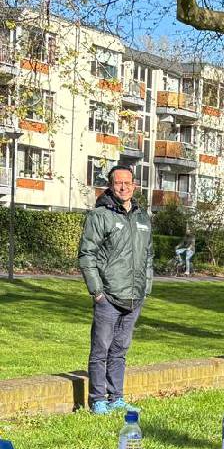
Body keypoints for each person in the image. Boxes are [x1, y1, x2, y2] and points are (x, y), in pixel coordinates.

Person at [78, 165, 153, 415]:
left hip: (134, 296)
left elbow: (148, 255)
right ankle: (98, 399)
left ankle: (116, 397)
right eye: (118, 183)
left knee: (120, 350)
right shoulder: (100, 215)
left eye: (128, 183)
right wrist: (97, 292)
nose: (123, 187)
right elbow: (87, 254)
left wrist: (147, 285)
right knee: (101, 349)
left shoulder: (142, 217)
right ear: (111, 185)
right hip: (108, 296)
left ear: (134, 185)